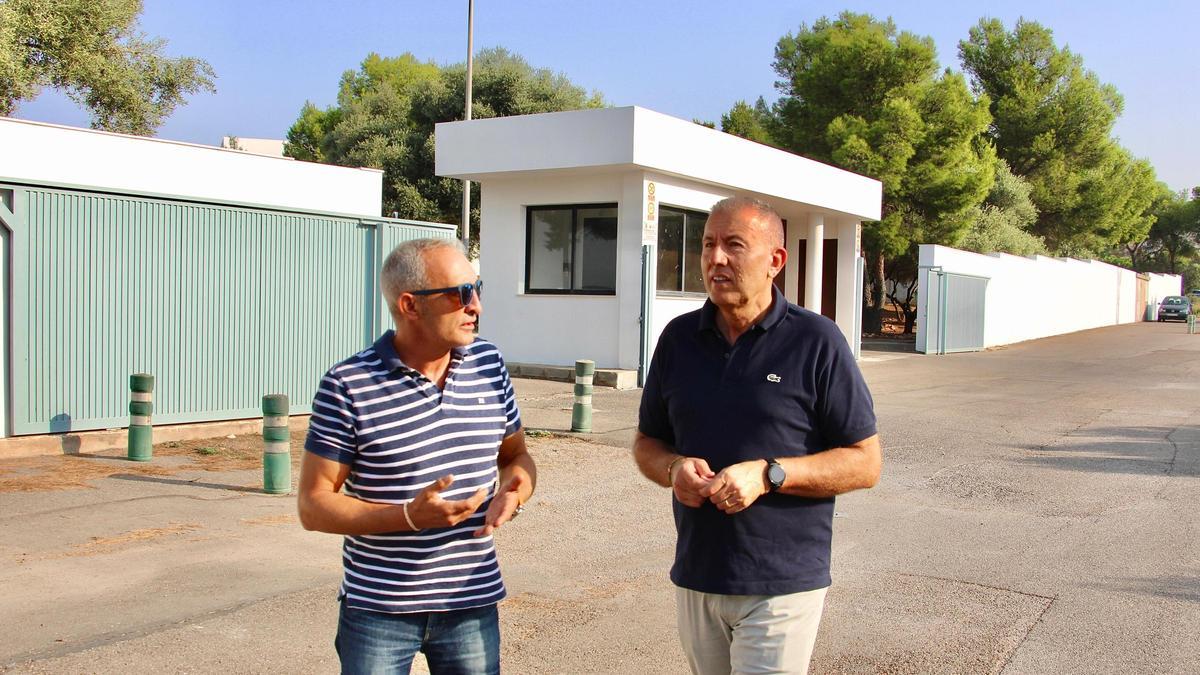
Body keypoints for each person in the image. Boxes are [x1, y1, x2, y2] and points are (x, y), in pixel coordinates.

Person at [633, 196, 881, 675]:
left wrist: (770, 475)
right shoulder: (677, 339)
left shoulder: (817, 341)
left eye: (734, 245)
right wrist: (673, 468)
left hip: (782, 583)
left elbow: (865, 462)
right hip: (698, 575)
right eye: (708, 245)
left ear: (775, 261)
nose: (715, 259)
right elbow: (648, 443)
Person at [298, 237, 536, 675]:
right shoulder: (348, 384)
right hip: (379, 611)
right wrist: (408, 517)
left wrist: (516, 492)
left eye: (477, 289)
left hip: (471, 601)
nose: (476, 306)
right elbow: (314, 506)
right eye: (460, 294)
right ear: (410, 305)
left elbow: (517, 454)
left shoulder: (488, 363)